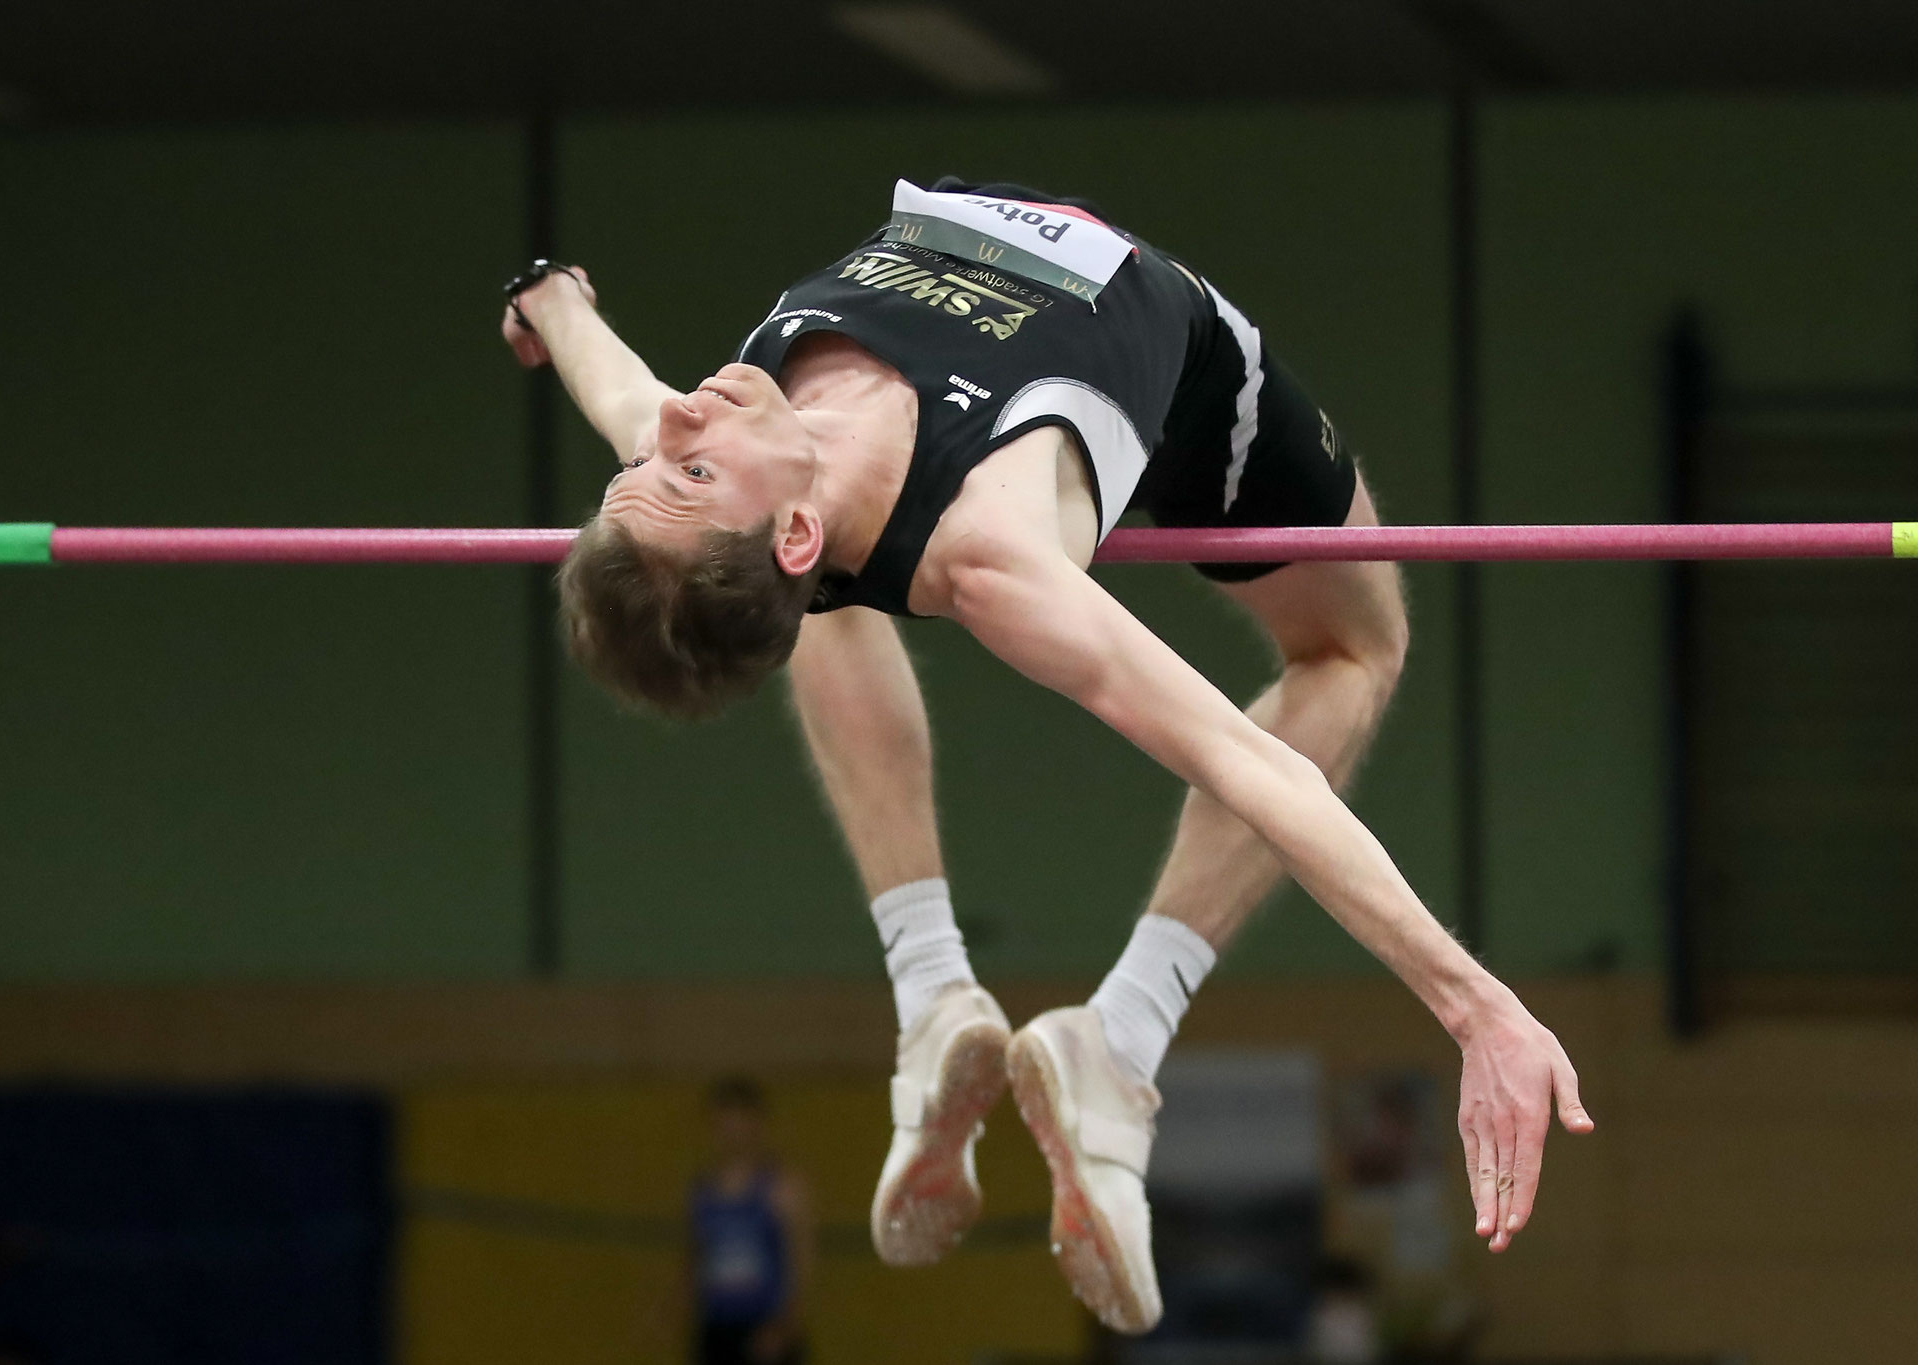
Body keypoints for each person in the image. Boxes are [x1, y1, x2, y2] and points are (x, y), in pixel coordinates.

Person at [502, 177, 1593, 1334]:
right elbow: (1245, 766)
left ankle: (933, 1004)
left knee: (792, 604)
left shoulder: (714, 467)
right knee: (1353, 652)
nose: (677, 423)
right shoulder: (992, 558)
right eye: (687, 471)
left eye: (645, 468)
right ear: (791, 527)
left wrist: (553, 303)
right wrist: (1475, 1009)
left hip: (914, 392)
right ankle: (1119, 1043)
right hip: (1185, 380)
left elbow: (617, 387)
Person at [682, 1077, 814, 1365]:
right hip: (716, 1329)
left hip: (767, 1330)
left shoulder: (782, 1188)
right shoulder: (703, 1190)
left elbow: (800, 1264)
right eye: (724, 1123)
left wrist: (784, 1326)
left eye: (739, 1122)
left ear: (757, 1124)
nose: (732, 1132)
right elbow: (696, 1258)